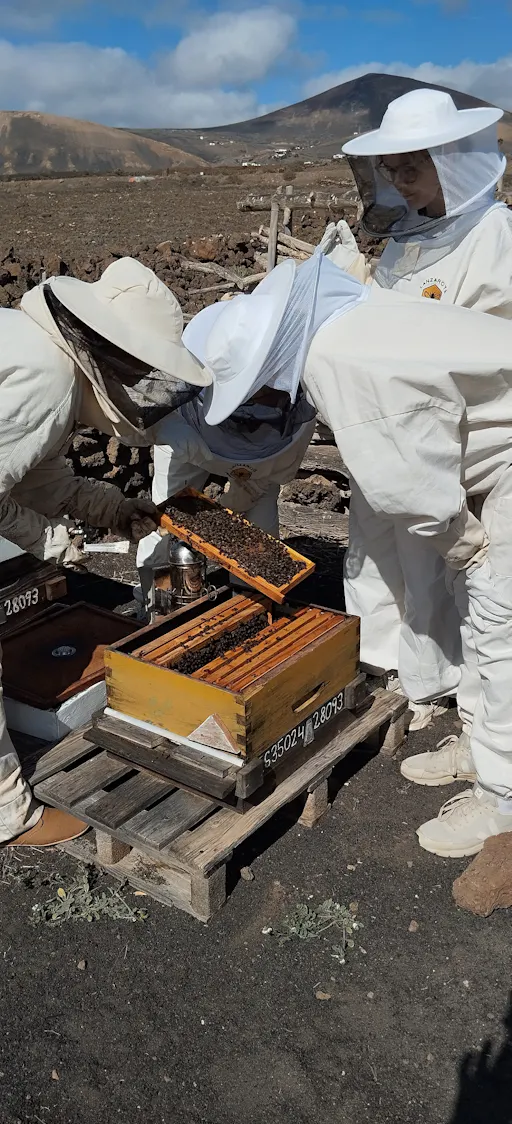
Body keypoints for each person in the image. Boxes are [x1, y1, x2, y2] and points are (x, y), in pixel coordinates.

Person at [190, 250, 512, 857]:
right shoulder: (350, 321)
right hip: (497, 451)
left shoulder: (342, 366)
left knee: (499, 622)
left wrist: (469, 551)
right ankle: (484, 742)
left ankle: (502, 805)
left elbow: (410, 491)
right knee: (483, 614)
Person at [0, 256, 211, 848]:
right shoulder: (43, 377)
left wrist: (112, 508)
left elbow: (37, 479)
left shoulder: (38, 360)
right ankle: (9, 818)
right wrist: (50, 540)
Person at [341, 87, 512, 740]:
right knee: (372, 550)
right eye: (392, 171)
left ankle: (431, 685)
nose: (401, 184)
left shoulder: (495, 239)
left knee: (427, 566)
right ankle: (378, 662)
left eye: (412, 168)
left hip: (440, 439)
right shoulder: (405, 238)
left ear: (453, 159)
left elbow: (491, 347)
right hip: (377, 432)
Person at [137, 250, 365, 606]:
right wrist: (198, 522)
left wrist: (236, 503)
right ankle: (155, 604)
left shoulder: (296, 392)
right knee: (166, 525)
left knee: (258, 540)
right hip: (196, 441)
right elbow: (166, 446)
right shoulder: (187, 405)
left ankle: (252, 606)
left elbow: (268, 474)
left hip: (262, 458)